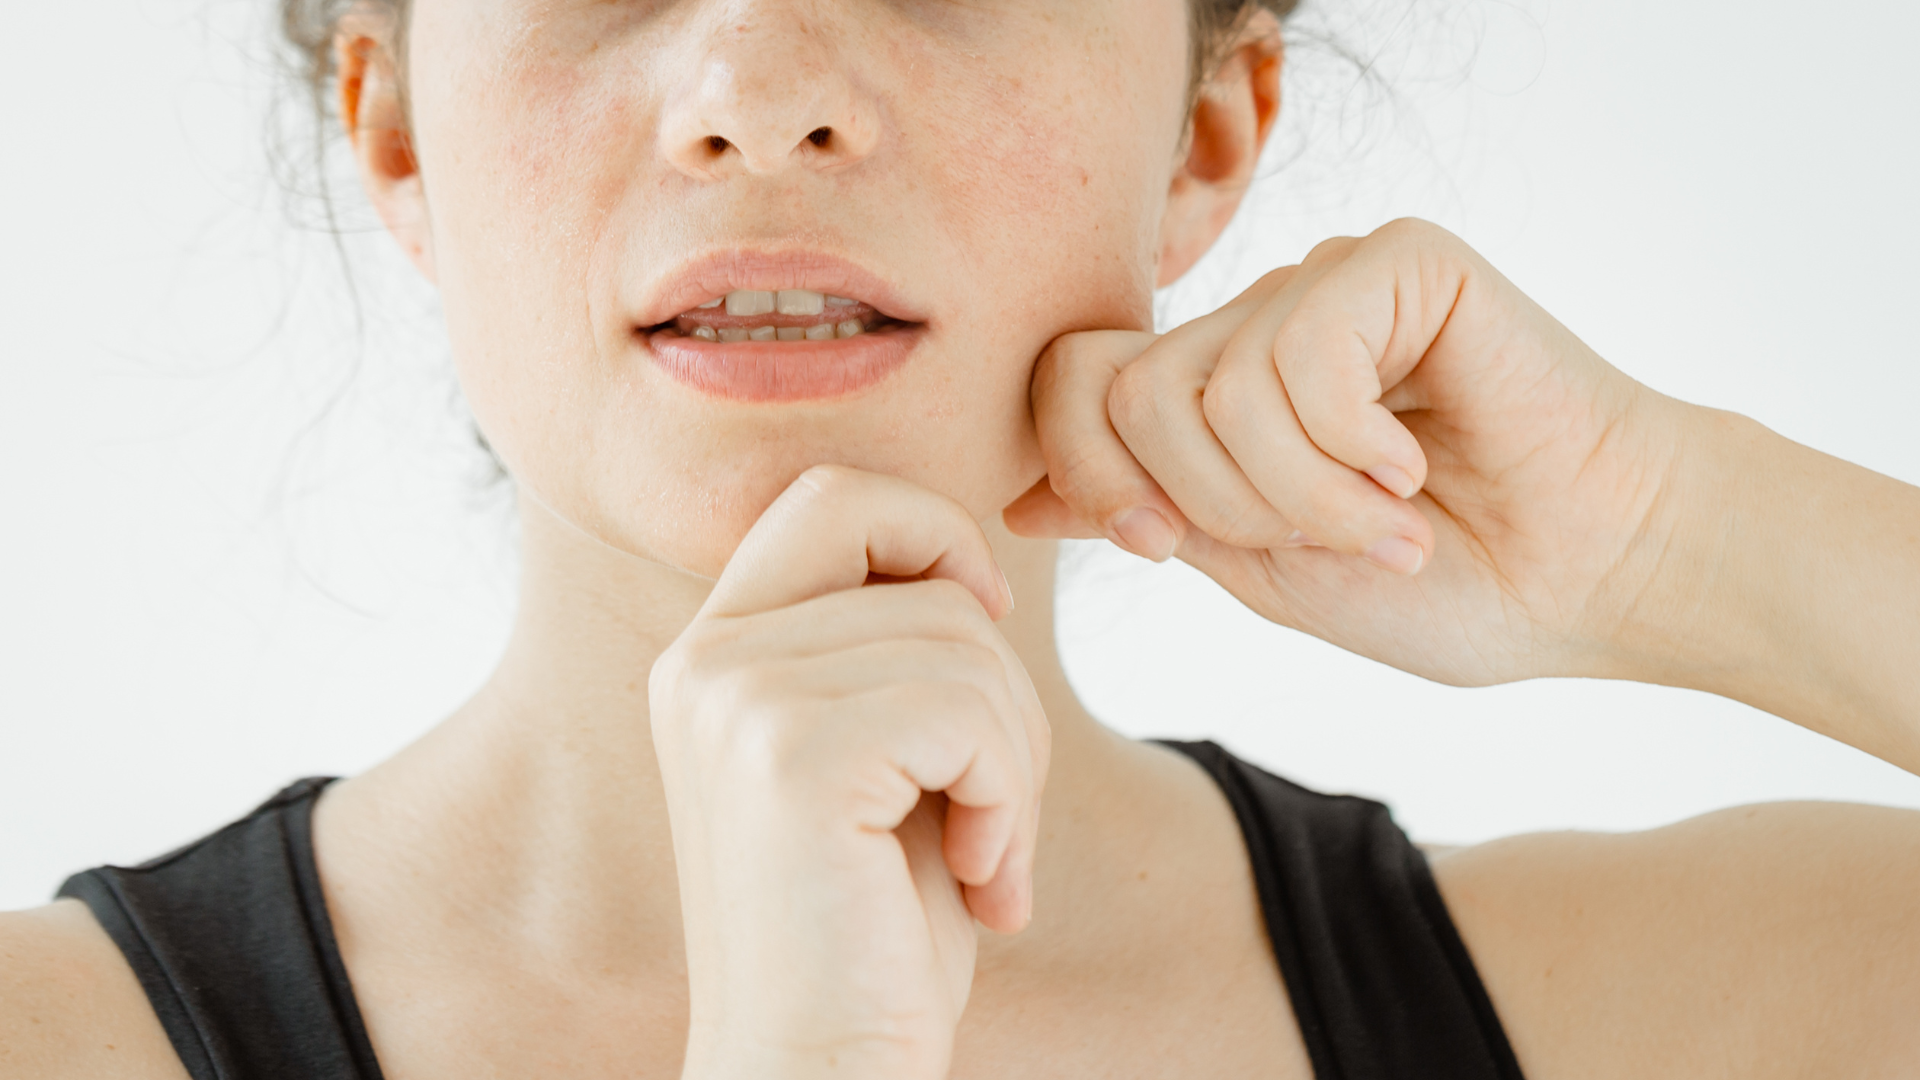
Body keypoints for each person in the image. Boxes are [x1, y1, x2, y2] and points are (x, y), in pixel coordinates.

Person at [4, 0, 1917, 1076]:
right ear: (396, 130)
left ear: (1207, 135)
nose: (757, 98)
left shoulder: (1663, 1017)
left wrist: (1676, 539)